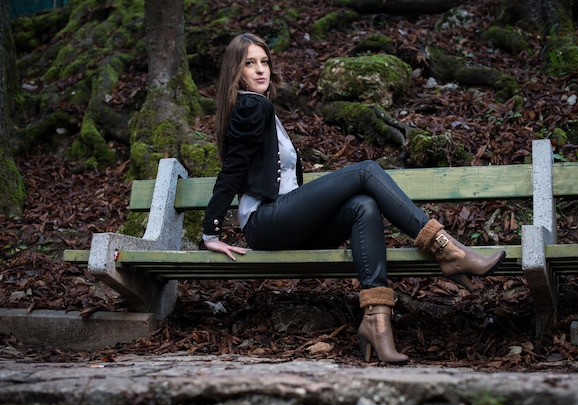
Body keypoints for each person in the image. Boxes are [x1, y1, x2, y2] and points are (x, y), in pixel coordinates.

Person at [202, 33, 506, 365]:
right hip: (267, 221)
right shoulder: (252, 106)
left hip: (290, 222)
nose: (261, 70)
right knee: (366, 171)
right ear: (236, 71)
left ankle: (377, 322)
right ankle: (446, 249)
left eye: (264, 62)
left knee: (365, 206)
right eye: (250, 64)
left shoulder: (260, 108)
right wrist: (211, 233)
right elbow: (231, 171)